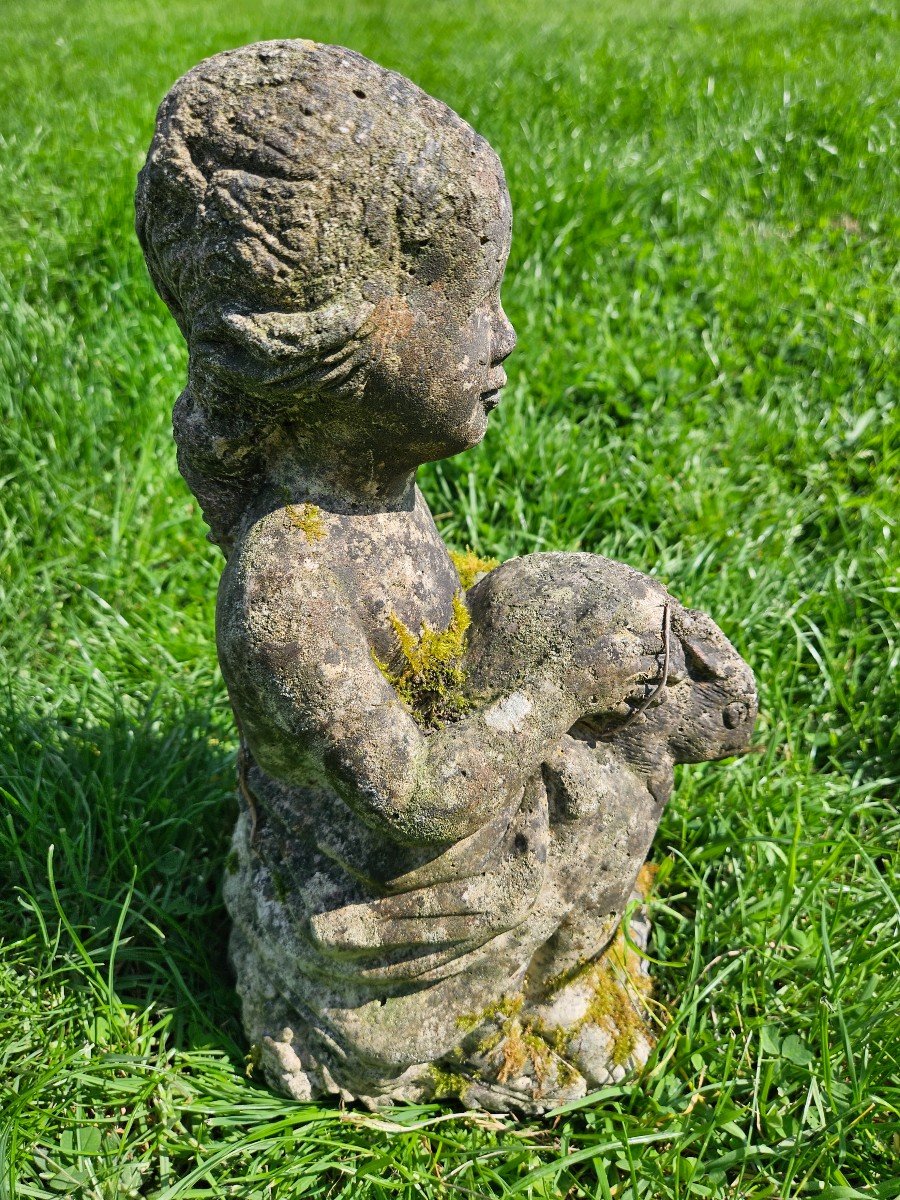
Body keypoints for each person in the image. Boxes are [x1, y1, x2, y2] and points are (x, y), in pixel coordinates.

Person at [136, 39, 756, 1110]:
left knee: (586, 632)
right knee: (605, 792)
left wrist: (558, 605)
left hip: (434, 802)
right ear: (336, 339)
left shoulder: (373, 490)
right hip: (384, 913)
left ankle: (666, 740)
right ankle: (535, 1008)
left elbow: (427, 618)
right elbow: (416, 804)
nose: (503, 336)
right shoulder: (286, 582)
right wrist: (563, 685)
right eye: (467, 302)